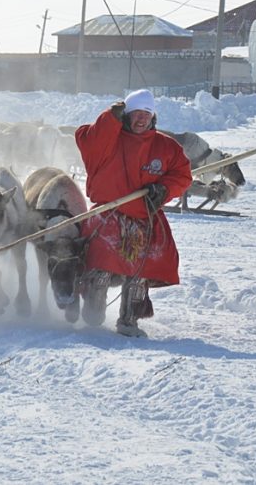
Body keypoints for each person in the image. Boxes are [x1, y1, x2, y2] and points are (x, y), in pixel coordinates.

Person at [74, 89, 192, 337]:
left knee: (141, 267)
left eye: (146, 114)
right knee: (102, 257)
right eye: (136, 113)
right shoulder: (109, 140)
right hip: (110, 211)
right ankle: (93, 309)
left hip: (144, 216)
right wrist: (109, 118)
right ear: (126, 116)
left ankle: (129, 320)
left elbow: (182, 175)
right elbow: (87, 140)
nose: (141, 119)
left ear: (153, 117)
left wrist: (164, 189)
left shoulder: (166, 146)